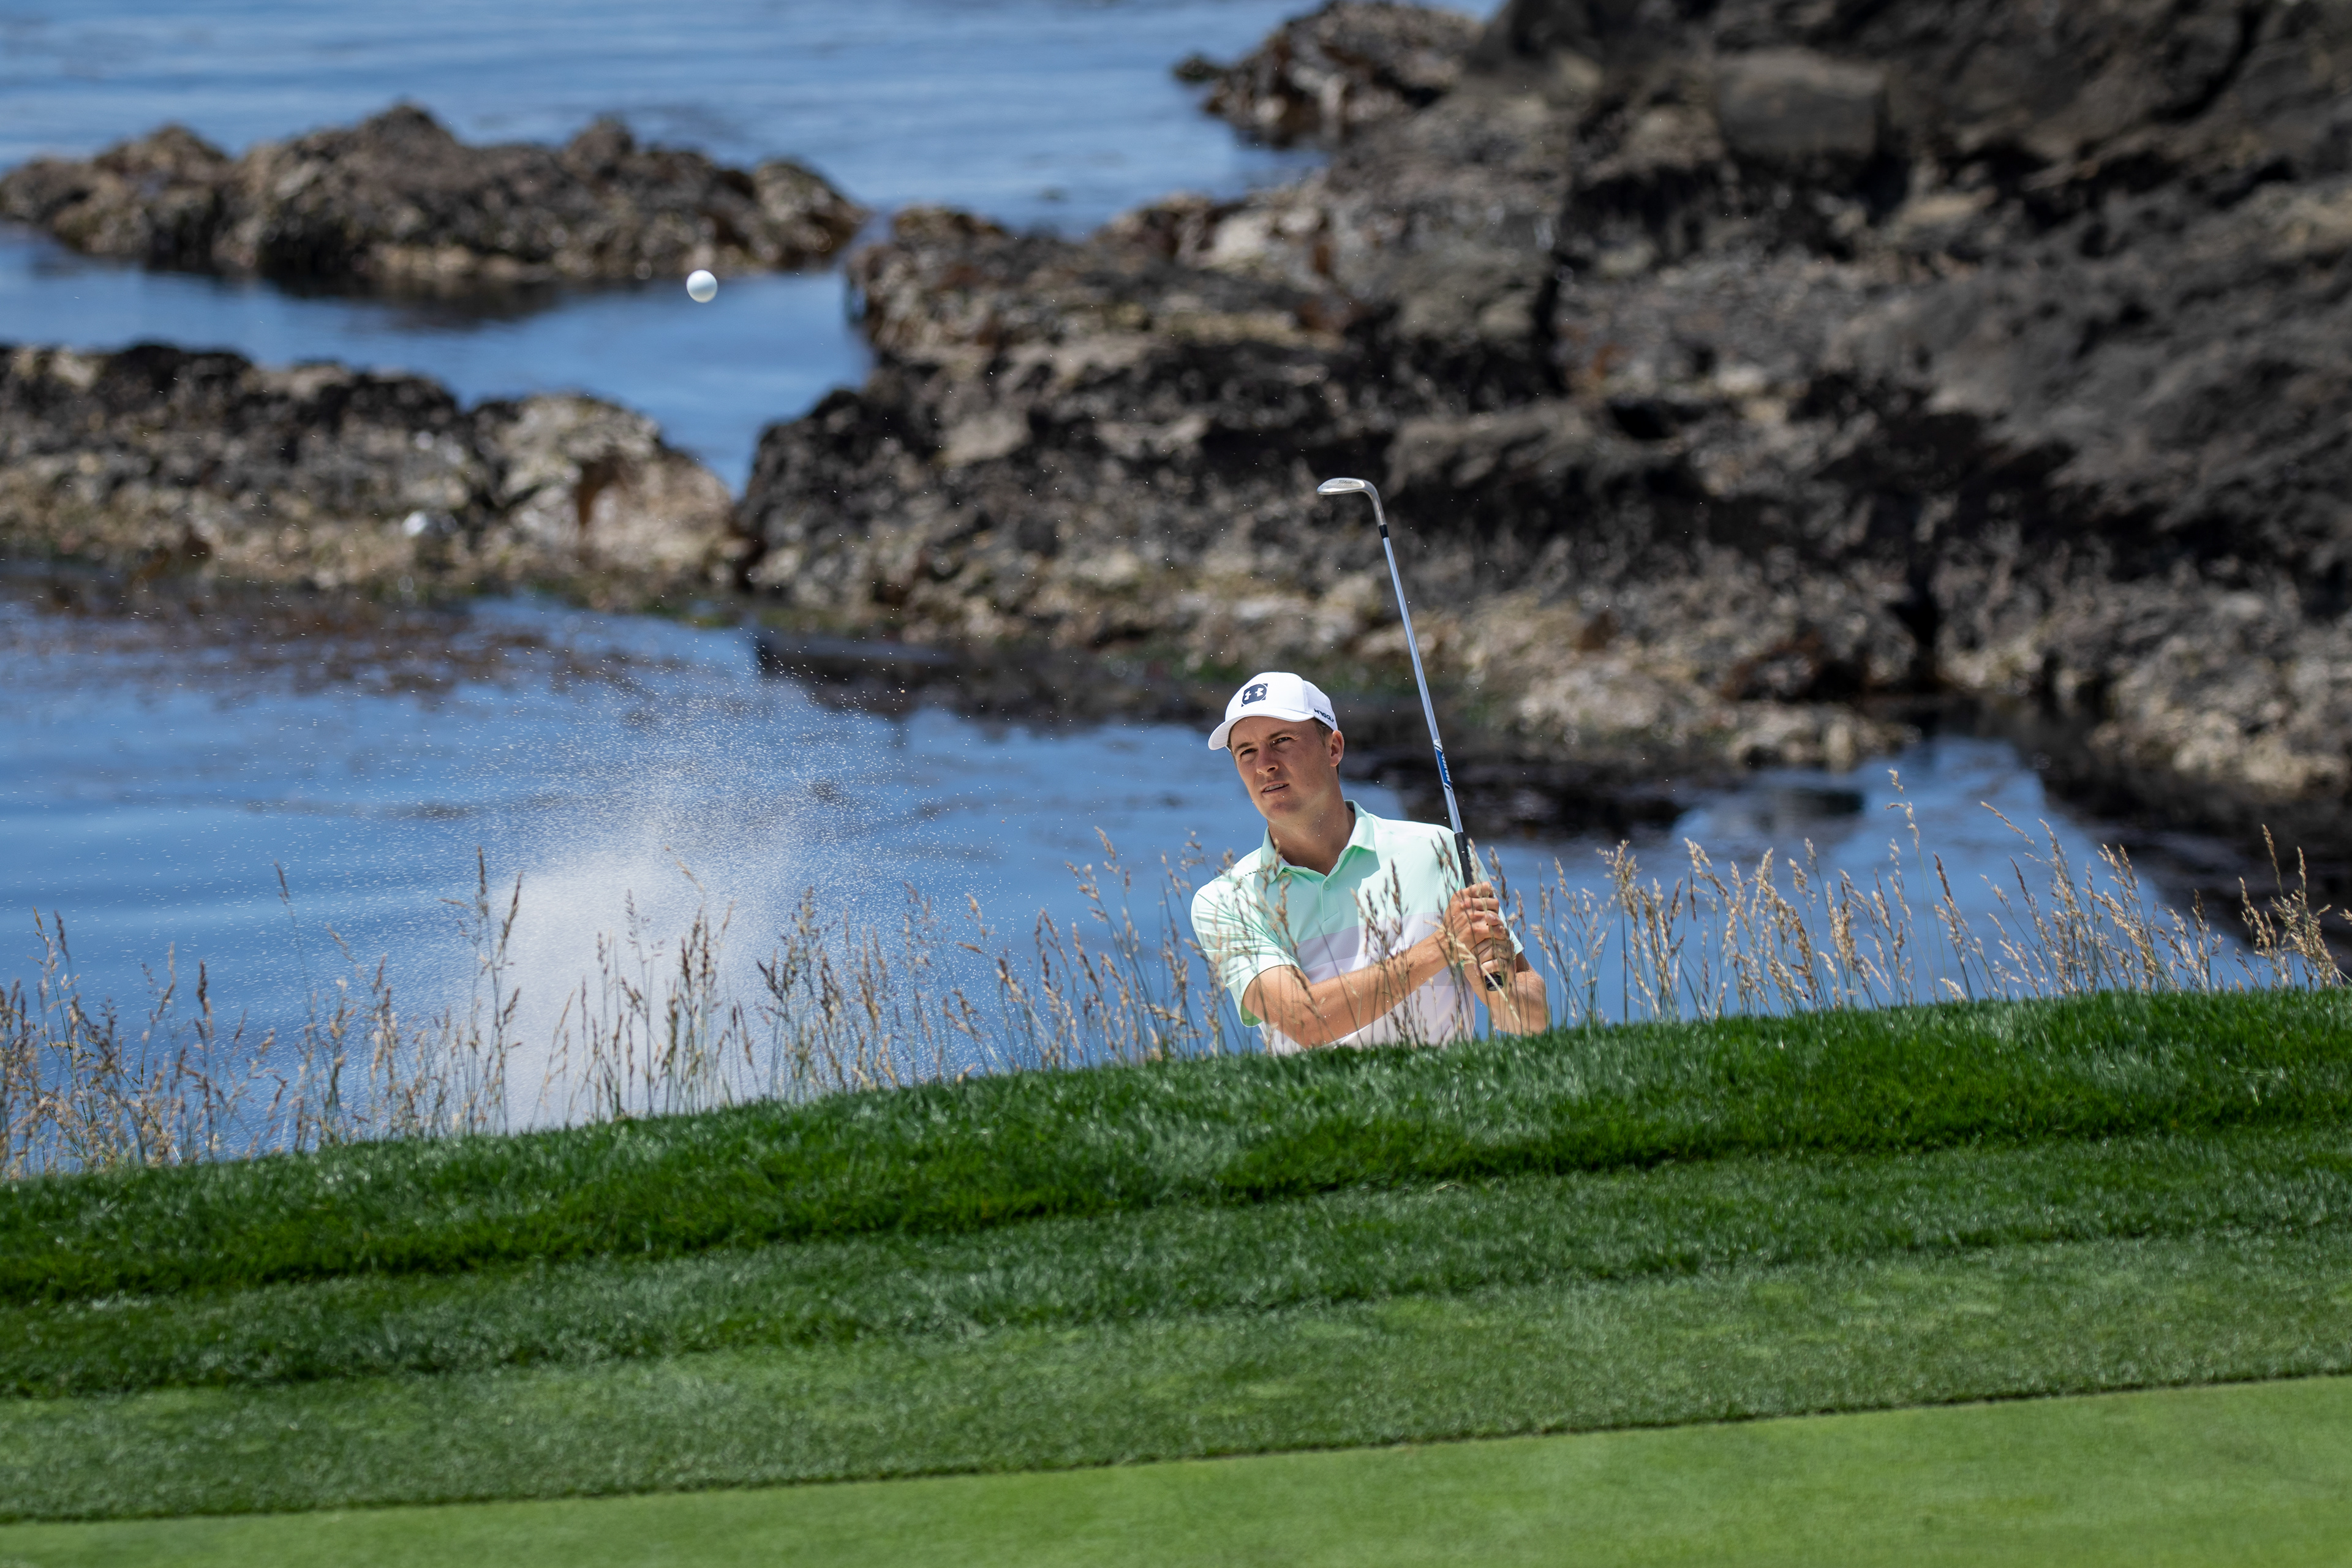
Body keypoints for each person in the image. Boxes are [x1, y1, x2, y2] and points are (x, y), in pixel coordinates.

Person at [1189, 671, 1549, 1052]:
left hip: (1445, 1102)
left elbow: (1529, 1020)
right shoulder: (1224, 900)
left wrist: (1501, 987)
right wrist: (1442, 946)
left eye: (1281, 741)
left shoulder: (1437, 850)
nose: (1264, 764)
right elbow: (1303, 1021)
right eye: (1246, 751)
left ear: (1334, 748)